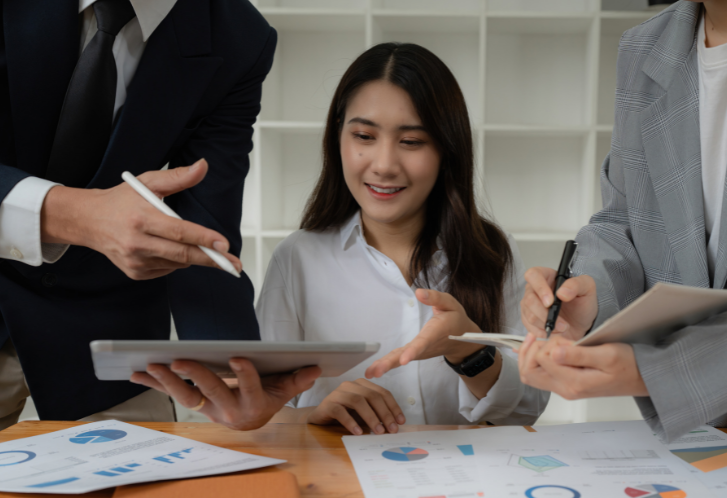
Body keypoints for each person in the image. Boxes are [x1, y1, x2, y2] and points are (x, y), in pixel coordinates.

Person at [139, 42, 548, 432]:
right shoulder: (298, 258)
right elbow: (261, 414)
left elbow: (527, 409)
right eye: (364, 137)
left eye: (411, 142)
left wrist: (469, 352)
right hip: (341, 487)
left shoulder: (493, 252)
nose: (384, 165)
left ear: (446, 151)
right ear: (338, 139)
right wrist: (314, 414)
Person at [0, 0, 316, 430]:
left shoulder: (239, 38)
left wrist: (231, 373)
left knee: (142, 493)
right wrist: (80, 217)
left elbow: (204, 233)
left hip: (106, 330)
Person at [517, 0, 727, 442]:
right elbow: (623, 221)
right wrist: (588, 299)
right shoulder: (644, 48)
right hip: (699, 435)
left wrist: (660, 372)